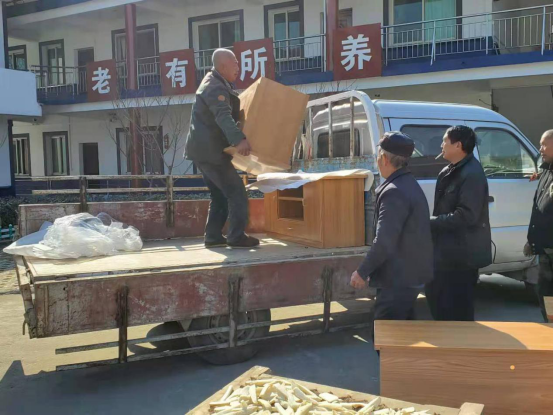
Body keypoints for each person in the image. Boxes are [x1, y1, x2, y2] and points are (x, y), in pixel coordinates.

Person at [350, 132, 433, 320]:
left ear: (384, 159)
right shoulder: (408, 184)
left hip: (398, 280)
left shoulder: (394, 192)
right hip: (408, 277)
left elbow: (384, 240)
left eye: (378, 155)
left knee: (384, 334)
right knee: (401, 333)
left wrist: (362, 272)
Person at [185, 49, 259, 249]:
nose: (238, 67)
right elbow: (223, 116)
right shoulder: (215, 87)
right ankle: (236, 237)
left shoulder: (215, 82)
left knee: (219, 195)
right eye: (235, 63)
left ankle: (213, 236)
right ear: (223, 65)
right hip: (211, 152)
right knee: (237, 193)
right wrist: (239, 140)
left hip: (204, 150)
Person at [425, 125, 492, 321]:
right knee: (438, 302)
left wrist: (431, 222)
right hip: (445, 254)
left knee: (458, 313)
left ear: (458, 145)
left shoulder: (472, 173)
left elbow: (466, 216)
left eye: (445, 141)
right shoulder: (450, 170)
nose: (441, 145)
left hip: (461, 258)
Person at [525, 129, 553, 322]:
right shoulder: (546, 171)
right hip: (545, 251)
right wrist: (532, 240)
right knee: (545, 296)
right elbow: (539, 209)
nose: (540, 149)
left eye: (544, 144)